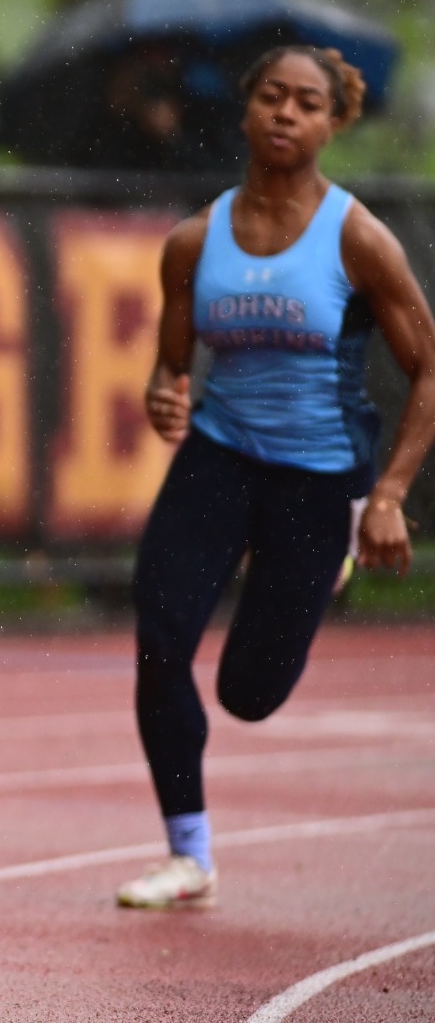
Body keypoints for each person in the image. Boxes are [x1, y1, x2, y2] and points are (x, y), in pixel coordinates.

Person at [115, 45, 435, 909]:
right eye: (272, 97)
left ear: (334, 123)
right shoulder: (194, 241)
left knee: (247, 695)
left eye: (307, 104)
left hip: (317, 478)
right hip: (218, 458)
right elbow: (170, 366)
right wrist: (165, 395)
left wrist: (393, 494)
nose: (287, 114)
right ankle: (188, 853)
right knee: (159, 639)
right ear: (249, 110)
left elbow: (428, 371)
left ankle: (319, 564)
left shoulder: (358, 238)